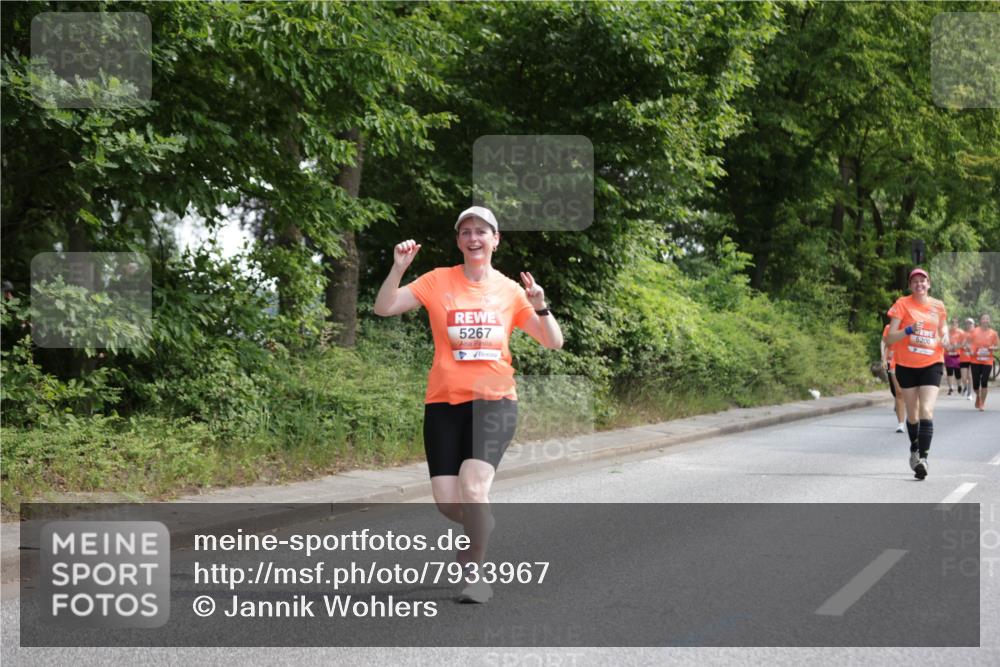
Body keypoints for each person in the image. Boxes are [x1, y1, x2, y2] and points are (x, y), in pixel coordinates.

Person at [373, 205, 563, 603]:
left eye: (481, 231)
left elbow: (552, 341)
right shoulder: (437, 280)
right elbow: (384, 307)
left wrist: (541, 304)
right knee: (448, 502)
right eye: (466, 232)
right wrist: (398, 268)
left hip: (494, 402)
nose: (473, 238)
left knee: (473, 487)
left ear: (495, 240)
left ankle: (476, 574)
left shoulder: (510, 290)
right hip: (442, 403)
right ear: (459, 241)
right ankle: (482, 523)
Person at [885, 268, 949, 480]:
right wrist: (909, 330)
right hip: (906, 365)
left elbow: (943, 328)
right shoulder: (902, 304)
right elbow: (890, 339)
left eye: (923, 281)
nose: (919, 284)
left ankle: (923, 459)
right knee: (912, 414)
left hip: (932, 363)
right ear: (910, 285)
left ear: (929, 284)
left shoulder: (938, 306)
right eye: (915, 281)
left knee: (927, 411)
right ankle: (914, 448)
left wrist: (946, 336)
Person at [967, 314, 999, 411]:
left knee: (984, 381)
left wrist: (993, 348)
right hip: (975, 360)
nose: (985, 320)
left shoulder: (993, 333)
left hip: (987, 361)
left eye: (987, 319)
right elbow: (967, 343)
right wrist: (970, 350)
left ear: (989, 321)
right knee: (976, 384)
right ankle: (978, 396)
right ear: (980, 320)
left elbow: (997, 346)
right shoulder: (974, 331)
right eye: (983, 319)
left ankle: (982, 403)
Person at [881, 323, 906, 432]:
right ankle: (901, 423)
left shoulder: (909, 325)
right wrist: (883, 358)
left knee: (909, 392)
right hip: (893, 361)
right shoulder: (889, 327)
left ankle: (914, 418)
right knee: (898, 391)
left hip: (908, 361)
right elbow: (885, 342)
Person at [959, 318, 976, 400]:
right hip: (963, 358)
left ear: (974, 325)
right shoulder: (962, 334)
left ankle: (969, 393)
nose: (969, 325)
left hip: (973, 358)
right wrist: (964, 344)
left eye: (971, 323)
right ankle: (965, 387)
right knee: (964, 378)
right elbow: (959, 346)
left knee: (970, 376)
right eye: (967, 323)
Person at [944, 317, 962, 395]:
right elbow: (943, 342)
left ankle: (959, 385)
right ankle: (951, 388)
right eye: (952, 323)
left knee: (958, 373)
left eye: (955, 323)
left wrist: (956, 347)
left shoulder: (961, 332)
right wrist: (947, 346)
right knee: (949, 372)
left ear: (958, 324)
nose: (953, 324)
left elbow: (963, 343)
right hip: (948, 355)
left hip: (958, 355)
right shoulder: (947, 332)